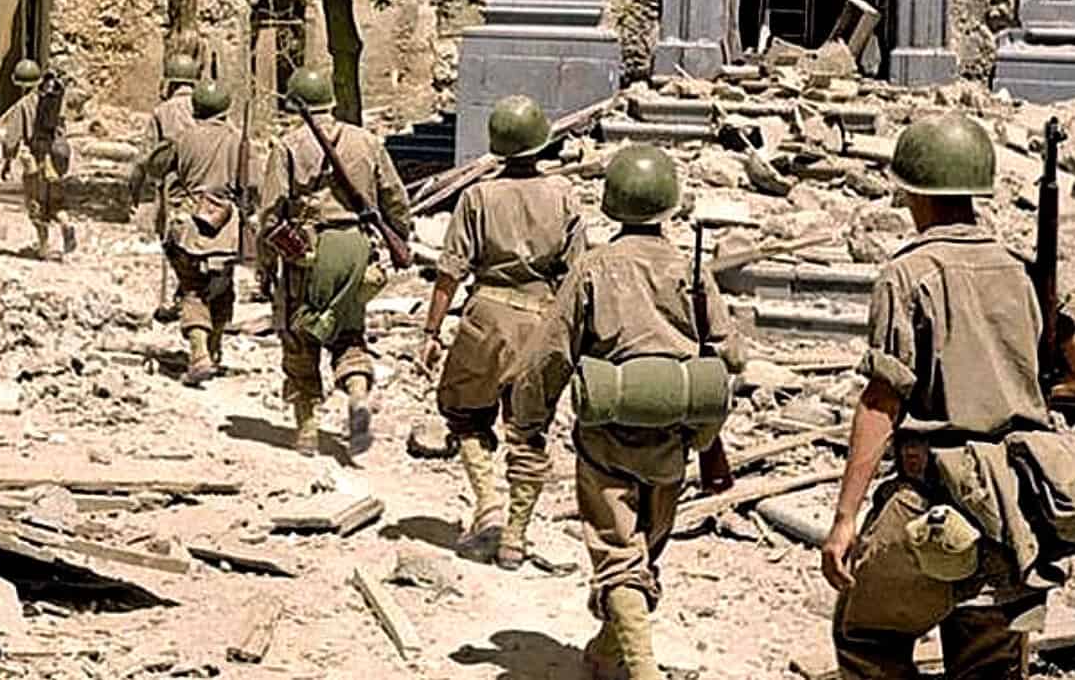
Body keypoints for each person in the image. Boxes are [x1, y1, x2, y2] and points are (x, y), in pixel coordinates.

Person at [819, 112, 1066, 680]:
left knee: (866, 634)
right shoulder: (1021, 274)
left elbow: (883, 401)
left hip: (935, 497)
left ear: (911, 187)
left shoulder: (908, 274)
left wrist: (845, 518)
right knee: (990, 663)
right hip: (1019, 510)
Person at [509, 145, 744, 680]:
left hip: (608, 438)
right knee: (642, 554)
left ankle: (642, 670)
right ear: (669, 204)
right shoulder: (690, 268)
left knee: (619, 557)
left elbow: (550, 354)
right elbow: (732, 353)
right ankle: (609, 653)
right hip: (673, 439)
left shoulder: (594, 269)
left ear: (612, 204)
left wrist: (529, 424)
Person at [415, 95, 586, 563]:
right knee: (528, 428)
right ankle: (515, 534)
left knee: (465, 413)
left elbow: (450, 271)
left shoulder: (478, 196)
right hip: (542, 320)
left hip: (485, 315)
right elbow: (577, 277)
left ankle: (487, 501)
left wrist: (430, 333)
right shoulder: (564, 196)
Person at [257, 67, 411, 459]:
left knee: (300, 336)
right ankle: (357, 395)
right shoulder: (367, 141)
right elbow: (395, 198)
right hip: (357, 247)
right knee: (348, 332)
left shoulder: (288, 146)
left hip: (309, 251)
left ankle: (307, 430)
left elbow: (271, 213)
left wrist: (266, 261)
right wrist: (398, 238)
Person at [146, 80, 246, 386]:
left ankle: (200, 353)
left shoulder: (182, 138)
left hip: (189, 226)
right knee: (223, 288)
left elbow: (155, 168)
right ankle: (213, 350)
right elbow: (251, 186)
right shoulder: (239, 141)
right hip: (226, 228)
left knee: (192, 289)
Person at [136, 53, 201, 322]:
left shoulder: (162, 112)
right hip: (202, 180)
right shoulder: (205, 105)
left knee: (170, 240)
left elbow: (146, 155)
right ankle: (190, 294)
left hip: (172, 184)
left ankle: (180, 297)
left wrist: (136, 187)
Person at [1, 59, 74, 259]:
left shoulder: (23, 105)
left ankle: (43, 248)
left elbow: (11, 139)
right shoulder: (56, 101)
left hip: (37, 159)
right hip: (56, 159)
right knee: (57, 202)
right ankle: (66, 224)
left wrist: (7, 161)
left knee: (37, 205)